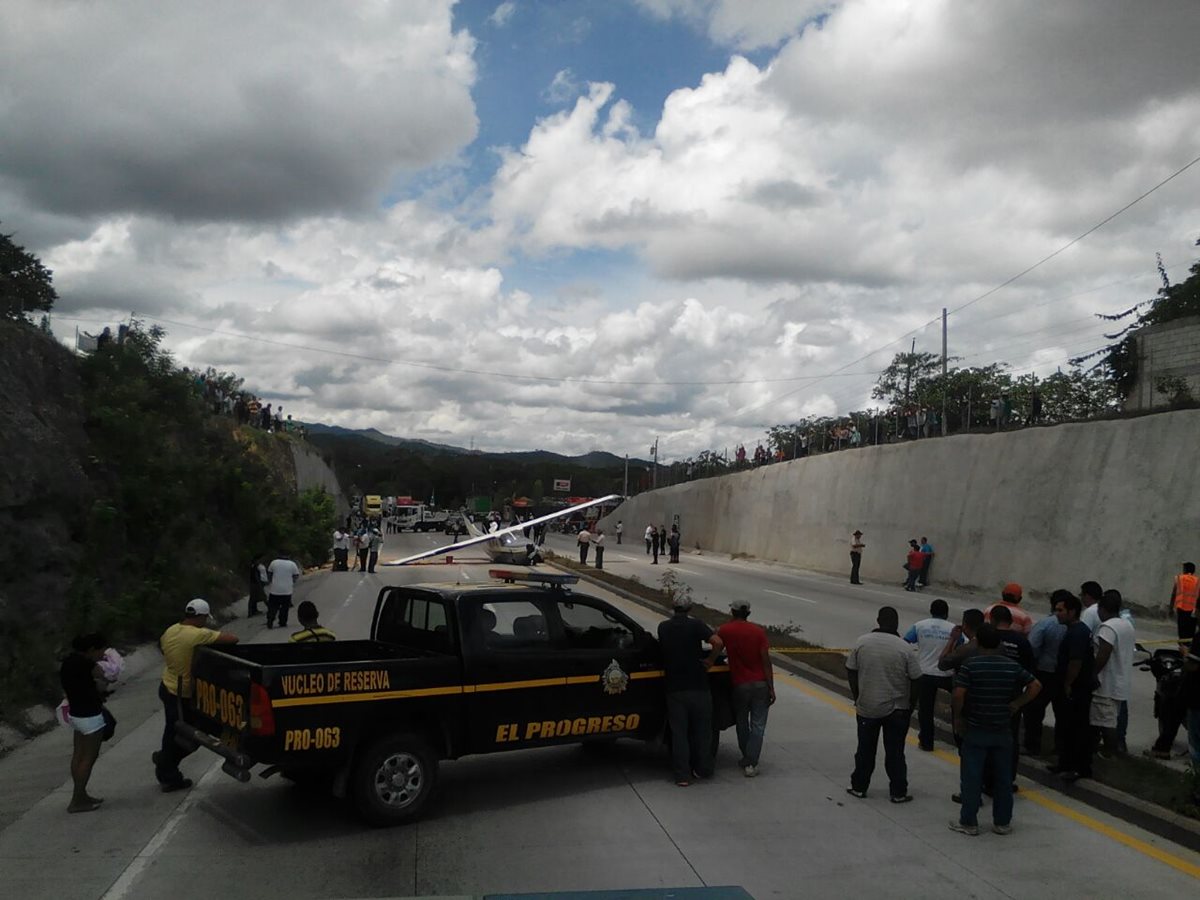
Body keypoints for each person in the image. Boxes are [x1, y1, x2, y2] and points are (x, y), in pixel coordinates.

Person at [949, 624, 1041, 836]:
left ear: (978, 642)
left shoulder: (971, 665)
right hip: (1002, 728)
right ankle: (1002, 822)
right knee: (1003, 779)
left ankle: (969, 822)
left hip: (977, 727)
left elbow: (958, 694)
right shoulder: (1011, 666)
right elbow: (1035, 685)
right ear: (998, 643)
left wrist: (958, 718)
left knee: (972, 778)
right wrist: (1017, 704)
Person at [154, 599, 238, 791]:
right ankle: (167, 771)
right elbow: (232, 639)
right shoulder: (198, 635)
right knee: (184, 735)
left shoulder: (171, 630)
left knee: (176, 733)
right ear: (201, 617)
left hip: (168, 685)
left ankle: (165, 761)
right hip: (180, 693)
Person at [845, 606, 921, 802]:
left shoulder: (862, 642)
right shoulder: (905, 648)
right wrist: (910, 705)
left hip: (868, 706)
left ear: (878, 621)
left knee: (865, 750)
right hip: (897, 709)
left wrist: (857, 696)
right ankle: (898, 792)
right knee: (895, 752)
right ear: (896, 623)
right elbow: (916, 679)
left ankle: (859, 787)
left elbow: (851, 670)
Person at [657, 596, 724, 786]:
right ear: (690, 608)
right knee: (703, 732)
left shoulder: (663, 627)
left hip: (674, 688)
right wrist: (710, 661)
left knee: (679, 734)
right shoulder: (696, 626)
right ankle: (703, 769)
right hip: (698, 686)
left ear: (673, 607)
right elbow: (718, 643)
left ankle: (682, 775)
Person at [717, 600, 775, 777]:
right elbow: (766, 661)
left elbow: (717, 648)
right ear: (748, 614)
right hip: (760, 684)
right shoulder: (758, 632)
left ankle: (746, 756)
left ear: (732, 612)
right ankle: (751, 762)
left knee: (742, 723)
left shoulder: (724, 630)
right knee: (758, 725)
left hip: (740, 685)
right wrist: (771, 687)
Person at [60, 633, 110, 813]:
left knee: (78, 756)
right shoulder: (87, 664)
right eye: (100, 650)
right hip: (90, 714)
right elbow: (104, 676)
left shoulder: (67, 662)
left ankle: (81, 794)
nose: (102, 654)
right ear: (91, 650)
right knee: (88, 758)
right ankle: (77, 799)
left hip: (75, 714)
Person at [987, 604, 1034, 792]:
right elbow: (1031, 671)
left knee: (986, 738)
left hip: (988, 694)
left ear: (993, 620)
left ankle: (987, 780)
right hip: (1013, 696)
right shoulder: (1022, 642)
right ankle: (1007, 779)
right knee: (1010, 740)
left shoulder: (988, 638)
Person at [1050, 592, 1095, 782]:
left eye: (1060, 610)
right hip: (1072, 688)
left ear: (1072, 611)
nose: (1056, 613)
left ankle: (1079, 768)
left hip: (1077, 690)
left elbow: (1075, 662)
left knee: (1077, 729)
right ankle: (1065, 763)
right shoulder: (1073, 630)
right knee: (1066, 728)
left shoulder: (1078, 632)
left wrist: (1068, 684)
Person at [904, 599, 956, 751]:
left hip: (925, 673)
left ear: (931, 611)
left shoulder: (920, 625)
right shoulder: (953, 629)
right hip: (946, 673)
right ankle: (960, 737)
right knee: (958, 705)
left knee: (925, 710)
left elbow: (905, 642)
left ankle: (926, 742)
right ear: (946, 613)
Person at [1024, 591, 1068, 755]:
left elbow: (1032, 647)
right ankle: (1060, 748)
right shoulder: (1074, 626)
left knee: (1033, 710)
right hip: (1063, 674)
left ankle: (1032, 745)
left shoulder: (1046, 624)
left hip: (1043, 672)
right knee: (1062, 714)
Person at [1092, 590, 1135, 756]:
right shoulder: (1126, 624)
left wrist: (1092, 673)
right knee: (1109, 719)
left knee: (1105, 721)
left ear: (1102, 609)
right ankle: (1105, 749)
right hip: (1121, 681)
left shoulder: (1108, 627)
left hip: (1106, 683)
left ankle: (1110, 752)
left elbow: (1103, 653)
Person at [266, 554, 301, 629]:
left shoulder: (274, 562)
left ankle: (270, 620)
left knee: (273, 607)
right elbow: (296, 575)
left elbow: (269, 573)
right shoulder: (292, 564)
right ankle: (282, 622)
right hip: (287, 590)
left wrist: (271, 581)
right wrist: (292, 581)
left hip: (275, 590)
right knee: (284, 607)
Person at [1170, 563, 1199, 644]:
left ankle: (1182, 645)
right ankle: (1188, 646)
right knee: (1190, 631)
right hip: (1193, 610)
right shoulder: (1198, 581)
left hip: (1181, 608)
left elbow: (1174, 594)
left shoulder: (1179, 578)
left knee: (1182, 630)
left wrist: (1170, 608)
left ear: (1185, 570)